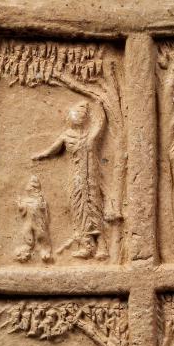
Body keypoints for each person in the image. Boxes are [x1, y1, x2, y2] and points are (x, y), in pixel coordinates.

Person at [32, 100, 108, 259]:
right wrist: (40, 155)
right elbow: (53, 149)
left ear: (86, 118)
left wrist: (100, 106)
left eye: (82, 114)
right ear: (70, 116)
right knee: (78, 209)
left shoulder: (90, 135)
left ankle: (102, 246)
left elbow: (100, 124)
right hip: (75, 178)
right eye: (76, 113)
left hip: (91, 179)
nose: (78, 116)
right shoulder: (67, 135)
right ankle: (87, 246)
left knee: (94, 208)